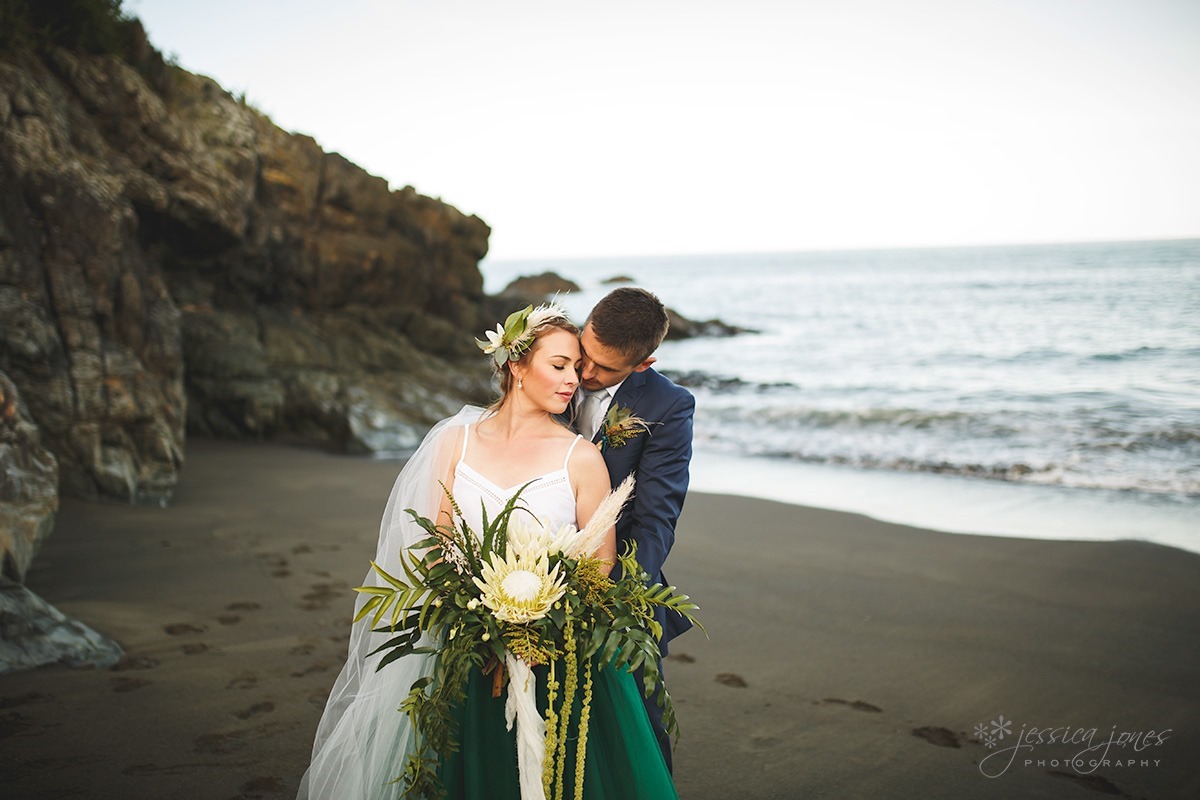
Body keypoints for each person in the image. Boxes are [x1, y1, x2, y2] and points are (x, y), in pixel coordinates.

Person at [298, 304, 678, 800]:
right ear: (516, 365)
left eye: (577, 367)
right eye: (560, 365)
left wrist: (531, 630)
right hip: (468, 645)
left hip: (557, 648)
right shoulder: (454, 442)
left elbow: (600, 562)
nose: (576, 380)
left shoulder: (582, 456)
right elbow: (437, 542)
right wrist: (480, 624)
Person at [572, 287, 695, 771]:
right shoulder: (552, 368)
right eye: (585, 353)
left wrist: (614, 593)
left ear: (643, 364)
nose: (585, 374)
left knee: (638, 723)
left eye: (604, 369)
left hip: (617, 577)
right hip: (527, 562)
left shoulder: (668, 406)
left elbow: (656, 516)